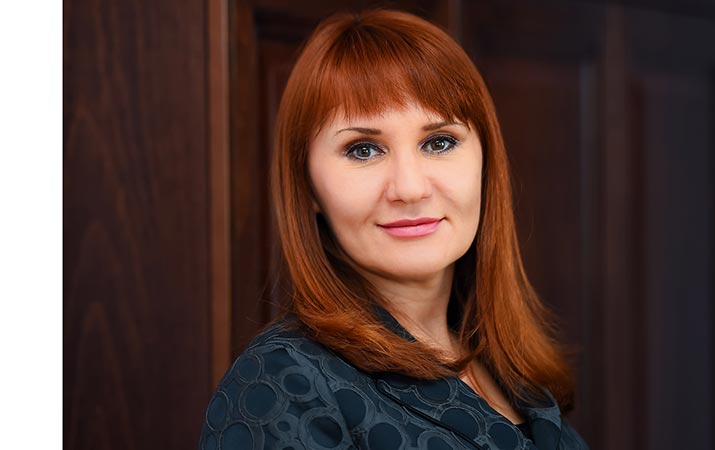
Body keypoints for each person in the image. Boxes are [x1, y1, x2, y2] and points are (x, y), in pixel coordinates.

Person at [199, 9, 589, 450]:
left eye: (439, 142)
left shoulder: (510, 368)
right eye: (363, 150)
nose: (409, 188)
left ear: (486, 162)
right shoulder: (280, 385)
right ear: (307, 186)